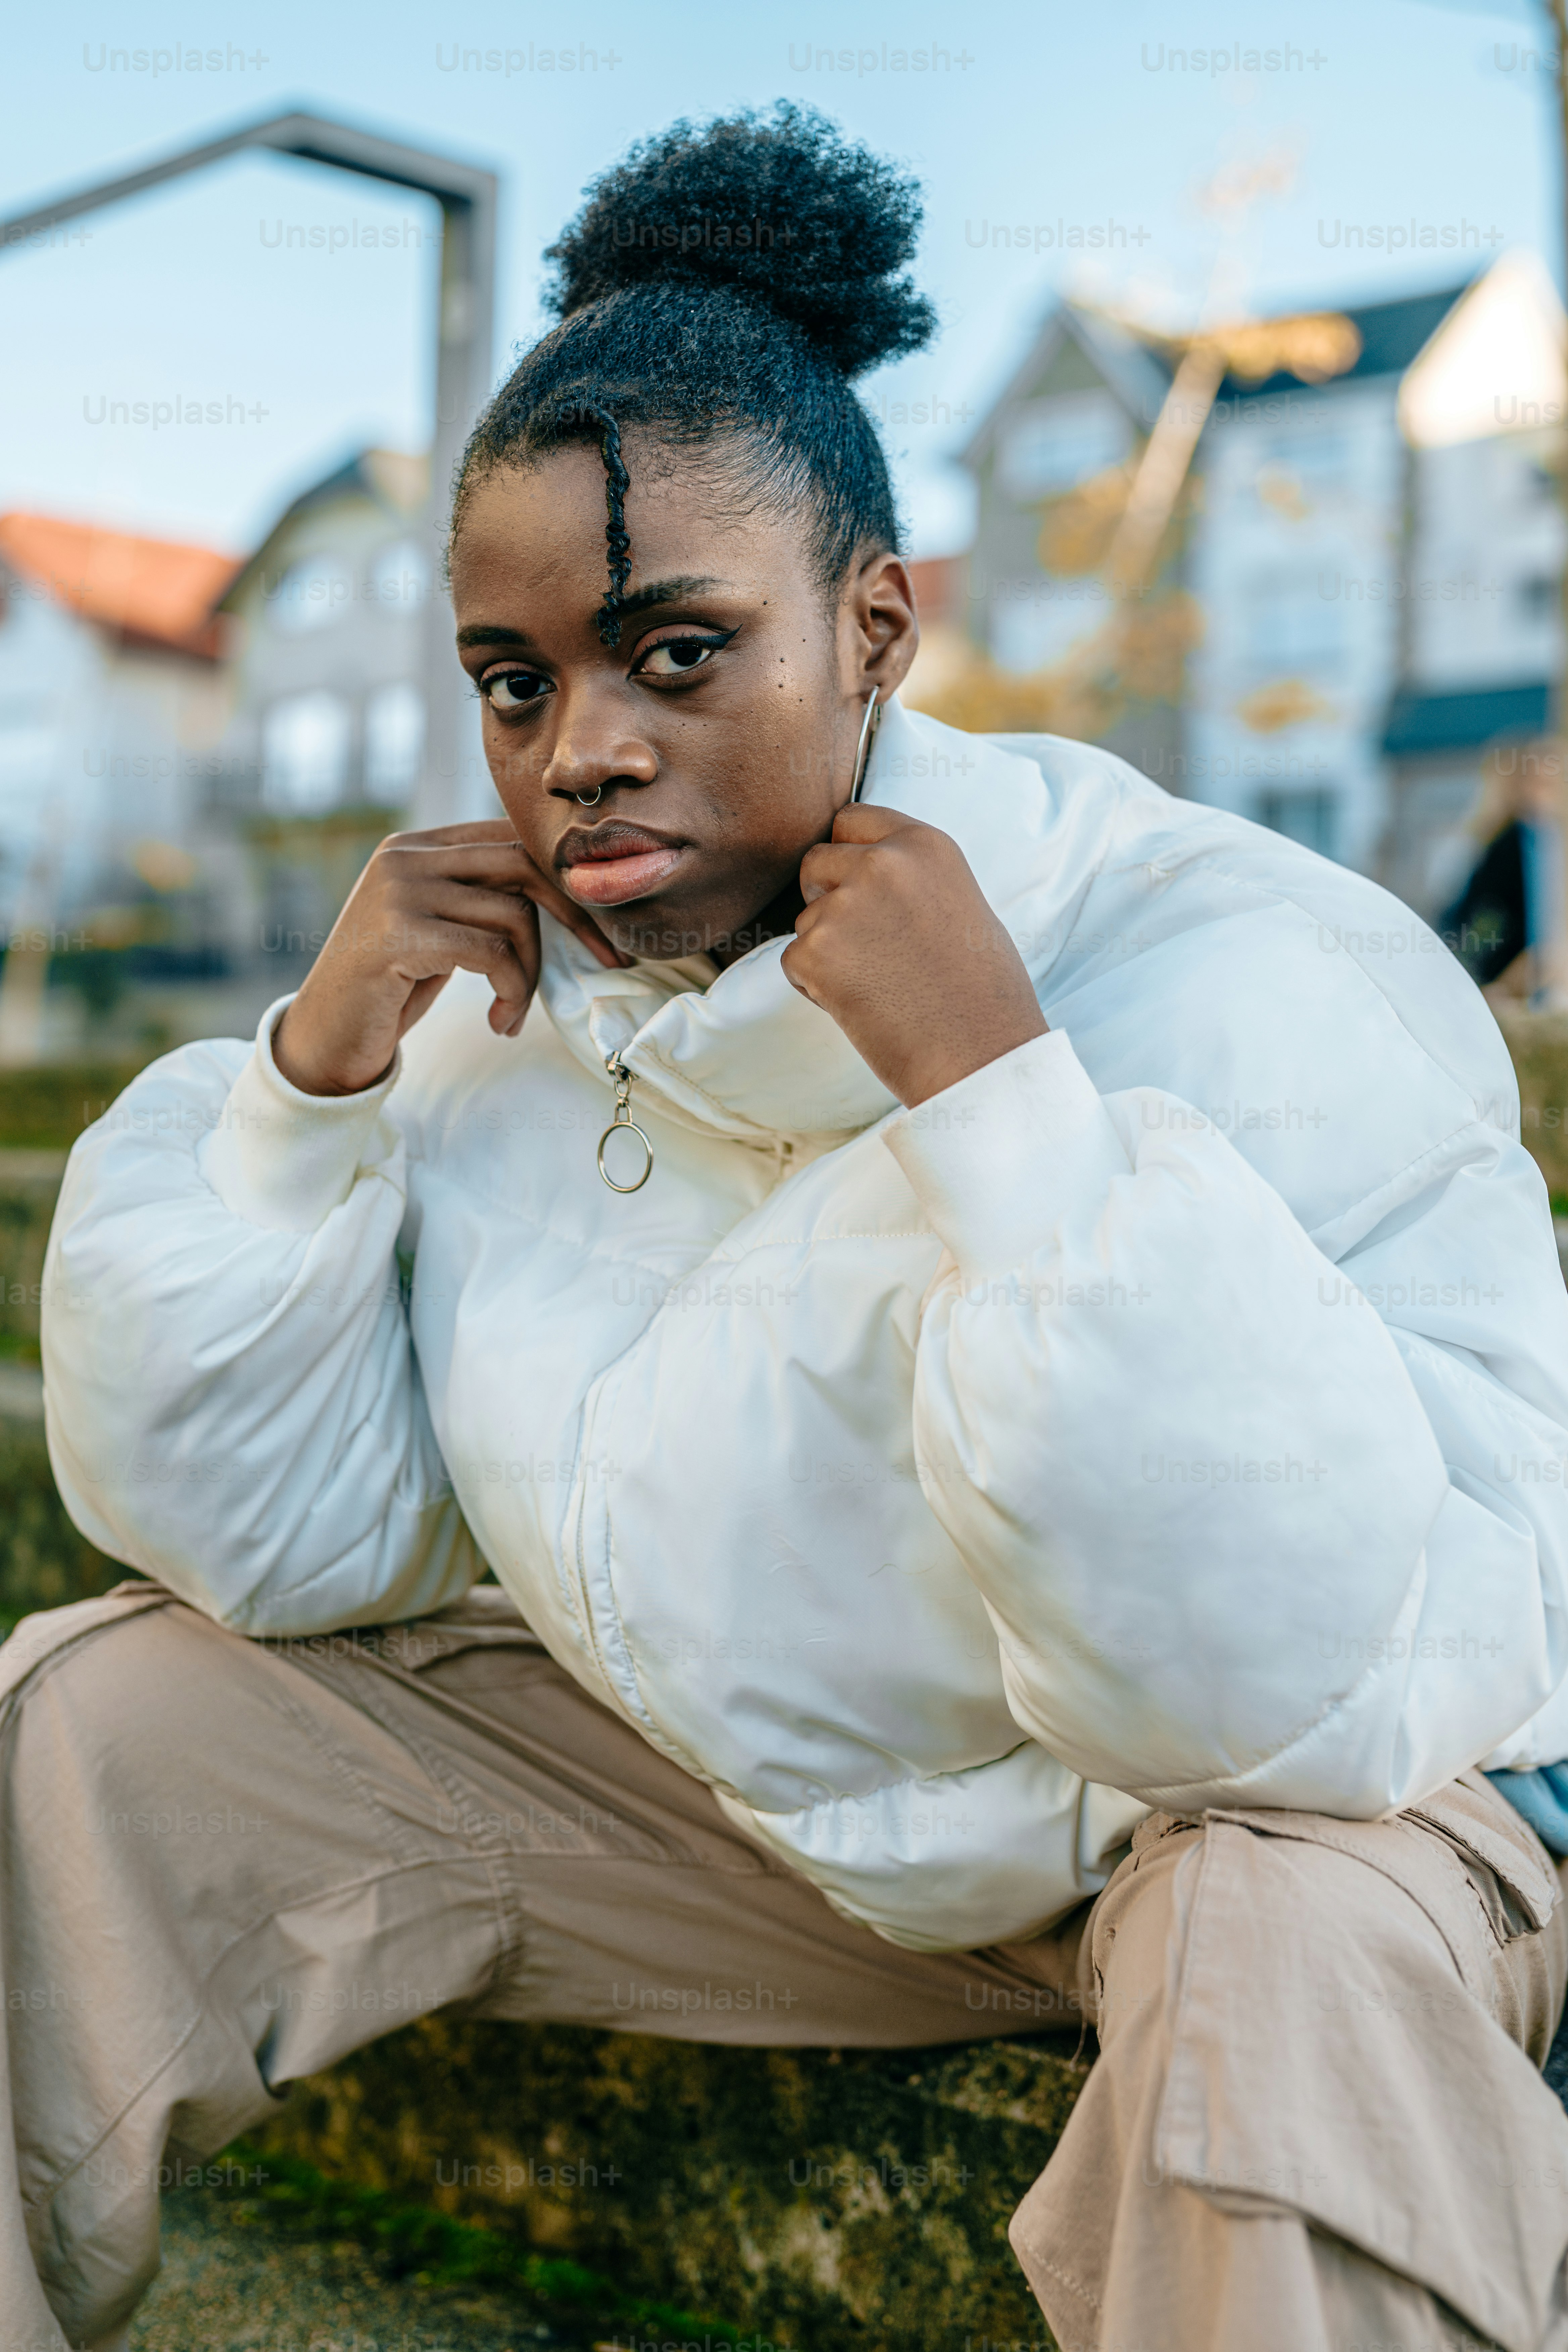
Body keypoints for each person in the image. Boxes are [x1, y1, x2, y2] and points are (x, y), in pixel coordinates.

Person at [11, 103, 1568, 2352]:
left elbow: (1284, 1701)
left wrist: (1002, 1108)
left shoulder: (1245, 965)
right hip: (803, 1839)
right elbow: (276, 1554)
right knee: (84, 1727)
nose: (580, 758)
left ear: (878, 628)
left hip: (1304, 1820)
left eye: (677, 655)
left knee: (1287, 1978)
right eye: (520, 683)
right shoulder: (499, 1014)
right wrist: (305, 1098)